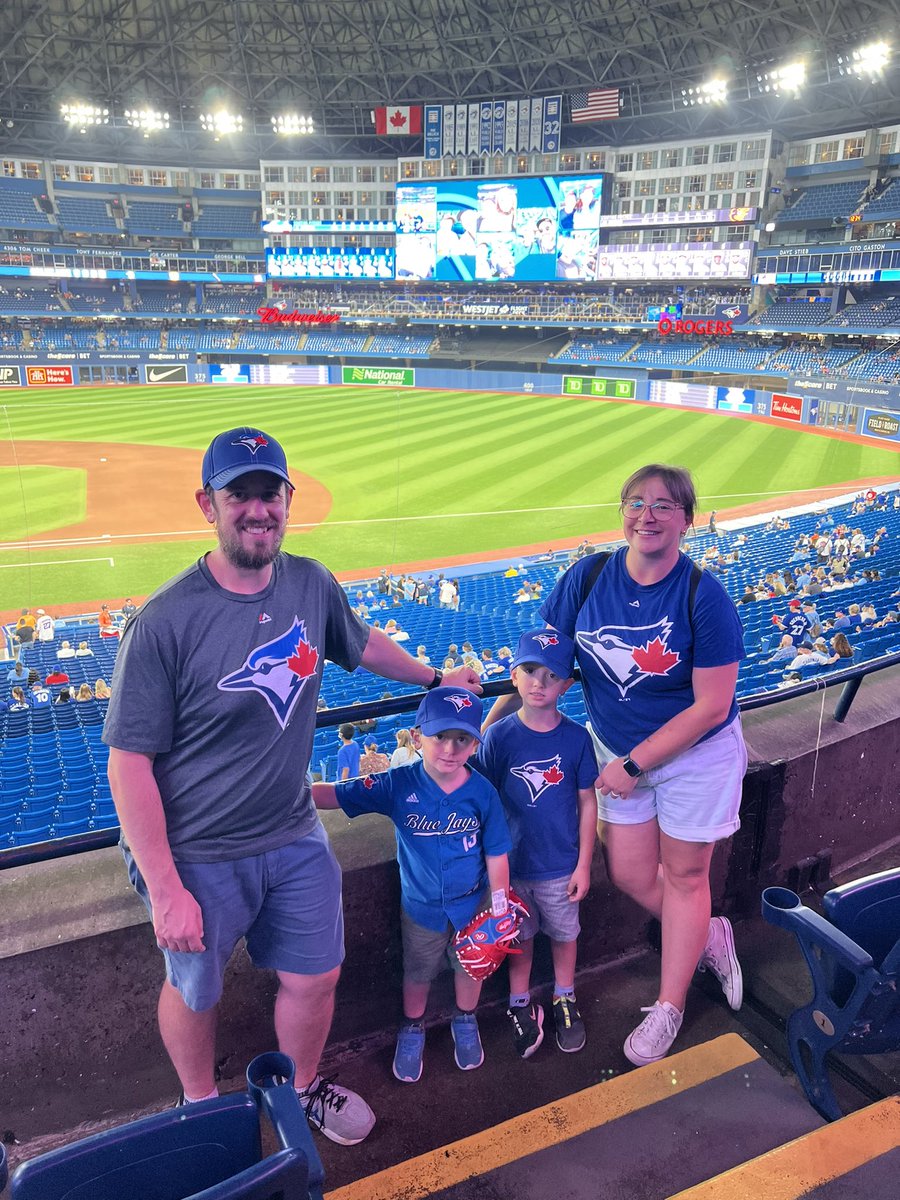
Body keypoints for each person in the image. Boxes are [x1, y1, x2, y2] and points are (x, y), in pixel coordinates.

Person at [103, 426, 480, 1142]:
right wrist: (166, 886)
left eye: (268, 493)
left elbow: (359, 641)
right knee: (195, 989)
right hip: (199, 851)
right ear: (207, 506)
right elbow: (129, 764)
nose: (256, 509)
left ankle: (302, 1088)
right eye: (237, 494)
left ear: (287, 500)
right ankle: (200, 1108)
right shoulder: (162, 622)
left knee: (316, 978)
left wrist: (436, 679)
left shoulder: (309, 580)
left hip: (294, 832)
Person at [488, 463, 747, 1067]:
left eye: (662, 505)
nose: (647, 515)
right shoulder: (589, 575)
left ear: (686, 518)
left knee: (685, 877)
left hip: (693, 756)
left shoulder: (703, 596)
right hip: (616, 749)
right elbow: (540, 661)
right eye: (636, 502)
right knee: (631, 873)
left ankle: (670, 1005)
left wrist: (634, 764)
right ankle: (709, 934)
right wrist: (488, 729)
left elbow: (711, 705)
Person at [312, 688, 511, 1084]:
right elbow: (335, 793)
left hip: (473, 907)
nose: (450, 749)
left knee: (470, 969)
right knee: (417, 971)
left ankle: (465, 1018)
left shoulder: (483, 792)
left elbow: (497, 851)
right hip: (420, 907)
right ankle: (412, 1025)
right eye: (440, 736)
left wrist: (500, 905)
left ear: (475, 743)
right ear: (417, 737)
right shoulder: (397, 783)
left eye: (462, 739)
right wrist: (283, 796)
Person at [475, 629, 598, 1058]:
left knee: (565, 934)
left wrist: (584, 864)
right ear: (513, 676)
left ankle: (565, 996)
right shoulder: (498, 738)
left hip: (561, 864)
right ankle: (520, 1002)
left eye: (552, 675)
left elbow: (587, 803)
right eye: (530, 671)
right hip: (512, 866)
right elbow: (485, 805)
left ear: (566, 683)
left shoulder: (577, 738)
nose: (539, 683)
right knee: (519, 939)